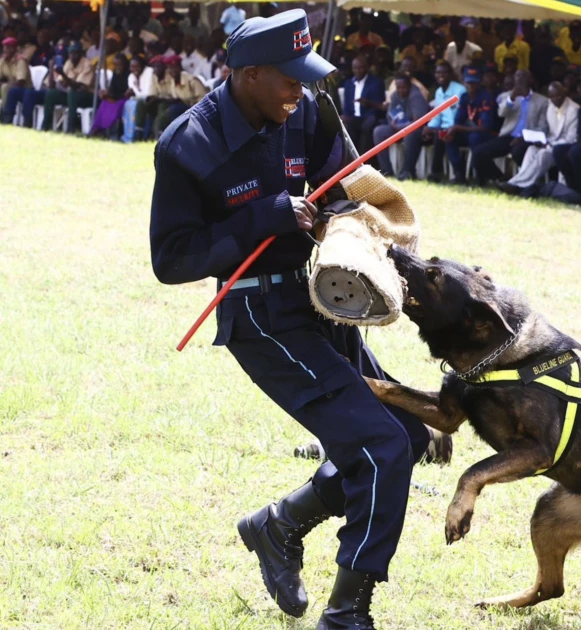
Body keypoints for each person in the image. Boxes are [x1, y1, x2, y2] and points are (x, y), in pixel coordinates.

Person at [149, 10, 434, 630]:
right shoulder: (186, 145)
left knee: (408, 438)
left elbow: (342, 187)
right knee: (382, 447)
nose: (300, 92)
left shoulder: (307, 109)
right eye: (288, 80)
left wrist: (351, 226)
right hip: (258, 315)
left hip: (322, 295)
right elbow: (170, 260)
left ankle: (277, 527)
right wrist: (260, 220)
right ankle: (346, 614)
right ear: (248, 74)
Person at [471, 69, 547, 186]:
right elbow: (501, 113)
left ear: (530, 80)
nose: (519, 79)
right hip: (508, 136)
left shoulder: (542, 101)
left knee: (518, 152)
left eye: (523, 76)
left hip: (527, 138)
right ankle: (501, 178)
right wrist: (512, 98)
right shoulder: (505, 96)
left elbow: (542, 126)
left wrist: (524, 137)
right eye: (517, 76)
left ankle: (527, 183)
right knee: (478, 152)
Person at [501, 80, 578, 193]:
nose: (556, 98)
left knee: (542, 154)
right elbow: (549, 131)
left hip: (563, 148)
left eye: (558, 95)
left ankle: (515, 184)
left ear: (564, 94)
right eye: (552, 96)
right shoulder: (550, 106)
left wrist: (549, 144)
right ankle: (522, 185)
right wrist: (541, 140)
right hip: (550, 143)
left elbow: (571, 138)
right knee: (531, 149)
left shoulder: (573, 110)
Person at [440, 65, 498, 185]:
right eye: (469, 82)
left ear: (479, 82)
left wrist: (457, 128)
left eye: (474, 82)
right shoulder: (464, 97)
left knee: (475, 137)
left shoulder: (486, 97)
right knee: (449, 138)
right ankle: (459, 175)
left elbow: (486, 127)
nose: (471, 86)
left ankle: (480, 176)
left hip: (486, 135)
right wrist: (452, 130)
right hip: (469, 132)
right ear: (464, 82)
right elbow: (458, 121)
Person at [373, 72, 428, 179]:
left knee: (410, 134)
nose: (401, 90)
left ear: (409, 86)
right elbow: (390, 115)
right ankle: (386, 170)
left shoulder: (416, 96)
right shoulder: (395, 95)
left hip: (415, 130)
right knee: (378, 131)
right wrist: (394, 123)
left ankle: (407, 171)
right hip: (398, 127)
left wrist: (402, 127)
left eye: (404, 87)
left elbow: (419, 122)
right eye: (398, 87)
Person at [425, 60, 466, 182]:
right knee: (431, 134)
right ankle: (435, 173)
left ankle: (443, 173)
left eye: (444, 72)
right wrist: (430, 127)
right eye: (437, 72)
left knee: (442, 136)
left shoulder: (460, 90)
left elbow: (462, 115)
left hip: (459, 127)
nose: (440, 75)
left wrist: (450, 129)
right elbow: (437, 114)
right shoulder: (438, 92)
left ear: (450, 74)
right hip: (443, 128)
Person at [41, 40, 93, 132]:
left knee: (73, 93)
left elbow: (79, 86)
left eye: (75, 53)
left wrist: (66, 79)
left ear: (81, 53)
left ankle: (70, 128)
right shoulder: (69, 62)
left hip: (87, 96)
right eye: (71, 53)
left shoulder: (87, 64)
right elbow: (59, 82)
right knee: (52, 93)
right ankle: (45, 126)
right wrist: (66, 86)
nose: (73, 56)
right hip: (71, 95)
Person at [341, 54, 384, 155]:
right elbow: (347, 106)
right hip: (353, 117)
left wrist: (367, 103)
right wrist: (345, 115)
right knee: (347, 125)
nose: (358, 71)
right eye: (355, 68)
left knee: (367, 125)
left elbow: (379, 106)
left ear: (366, 68)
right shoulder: (348, 84)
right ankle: (351, 159)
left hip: (369, 115)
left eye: (361, 68)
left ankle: (363, 157)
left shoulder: (376, 83)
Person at [89, 52, 129, 137]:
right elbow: (112, 89)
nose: (118, 67)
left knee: (117, 105)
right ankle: (96, 128)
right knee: (105, 102)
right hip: (115, 97)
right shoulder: (115, 73)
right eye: (116, 65)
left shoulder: (128, 75)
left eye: (120, 65)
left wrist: (113, 96)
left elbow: (126, 92)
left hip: (125, 98)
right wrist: (106, 94)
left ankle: (111, 131)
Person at [0, 36, 32, 123]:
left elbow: (20, 82)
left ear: (13, 48)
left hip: (24, 91)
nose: (4, 50)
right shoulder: (3, 60)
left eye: (7, 47)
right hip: (11, 87)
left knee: (5, 88)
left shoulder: (20, 61)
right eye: (4, 47)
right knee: (4, 87)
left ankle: (5, 115)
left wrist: (6, 84)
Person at [528, 24, 564, 88]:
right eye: (541, 37)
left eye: (545, 37)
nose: (543, 40)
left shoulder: (557, 51)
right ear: (537, 38)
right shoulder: (533, 53)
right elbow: (531, 71)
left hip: (556, 85)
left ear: (549, 37)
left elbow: (562, 71)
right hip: (538, 86)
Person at [121, 55, 146, 142]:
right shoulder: (131, 76)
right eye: (132, 67)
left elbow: (145, 94)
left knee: (136, 105)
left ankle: (136, 134)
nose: (135, 69)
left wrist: (136, 87)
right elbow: (132, 91)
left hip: (145, 100)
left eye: (137, 66)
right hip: (135, 99)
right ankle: (128, 134)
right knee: (128, 104)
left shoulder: (147, 74)